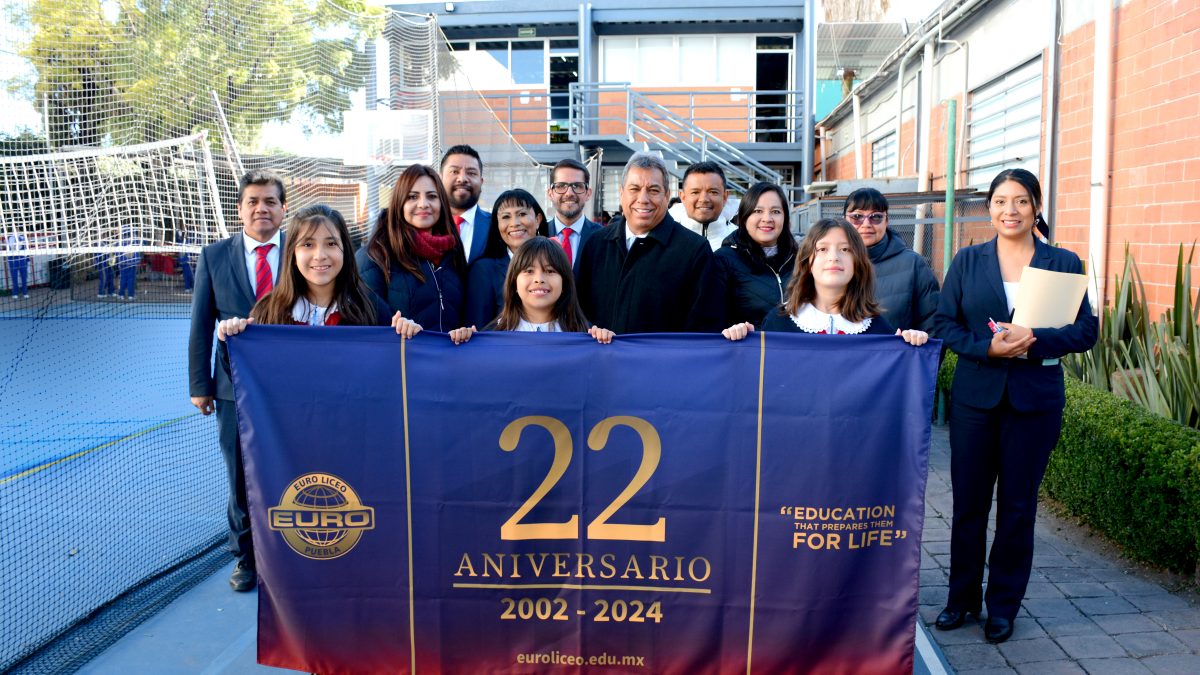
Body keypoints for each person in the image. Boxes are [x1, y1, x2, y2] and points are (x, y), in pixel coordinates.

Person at [931, 168, 1097, 644]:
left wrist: (1035, 339)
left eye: (1021, 201)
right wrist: (988, 348)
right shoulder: (967, 261)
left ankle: (1002, 606)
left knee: (1018, 508)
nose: (1011, 210)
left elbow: (1086, 330)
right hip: (975, 400)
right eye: (1001, 201)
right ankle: (960, 600)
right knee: (968, 505)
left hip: (1034, 402)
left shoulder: (1063, 262)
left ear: (1036, 207)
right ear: (989, 208)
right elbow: (946, 325)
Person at [188, 169, 288, 592]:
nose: (261, 209)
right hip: (232, 388)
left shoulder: (302, 252)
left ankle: (289, 555)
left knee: (288, 470)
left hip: (291, 387)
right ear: (240, 209)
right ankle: (245, 558)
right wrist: (200, 384)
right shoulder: (214, 257)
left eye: (270, 201)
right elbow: (200, 325)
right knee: (241, 476)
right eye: (253, 202)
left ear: (284, 209)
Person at [576, 152, 725, 334]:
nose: (643, 199)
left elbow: (704, 327)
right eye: (634, 189)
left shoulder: (694, 250)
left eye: (653, 190)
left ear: (667, 195)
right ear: (621, 193)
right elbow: (576, 311)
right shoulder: (596, 244)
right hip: (602, 360)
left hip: (664, 362)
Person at [722, 217, 928, 346]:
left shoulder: (878, 330)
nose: (834, 257)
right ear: (807, 262)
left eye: (845, 249)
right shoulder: (778, 322)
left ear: (858, 263)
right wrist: (740, 341)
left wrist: (912, 345)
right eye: (822, 249)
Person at [215, 205, 413, 338]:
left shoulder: (371, 308)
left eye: (331, 243)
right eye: (308, 244)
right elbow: (246, 376)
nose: (320, 255)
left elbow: (392, 368)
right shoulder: (268, 311)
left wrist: (407, 335)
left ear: (345, 249)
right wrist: (232, 338)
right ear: (292, 252)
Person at [358, 164, 466, 332]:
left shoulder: (453, 253)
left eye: (431, 196)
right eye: (412, 197)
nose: (423, 204)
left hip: (448, 357)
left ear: (442, 203)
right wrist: (397, 329)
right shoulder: (375, 255)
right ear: (400, 203)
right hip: (401, 356)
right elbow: (368, 325)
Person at [449, 237, 613, 344]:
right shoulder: (491, 336)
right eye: (528, 271)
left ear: (565, 282)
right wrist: (463, 341)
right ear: (513, 281)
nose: (539, 279)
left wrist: (606, 342)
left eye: (550, 271)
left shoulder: (587, 335)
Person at [843, 188, 940, 333]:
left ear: (886, 220)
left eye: (875, 217)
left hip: (894, 356)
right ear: (844, 220)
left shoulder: (913, 265)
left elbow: (934, 325)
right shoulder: (828, 263)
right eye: (857, 216)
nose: (866, 224)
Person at [714, 182, 798, 329]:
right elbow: (714, 318)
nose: (767, 218)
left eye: (776, 211)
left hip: (795, 348)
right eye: (758, 211)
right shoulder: (724, 260)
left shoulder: (801, 258)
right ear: (744, 216)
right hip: (748, 348)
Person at [465, 189, 550, 329]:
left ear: (538, 219)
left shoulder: (556, 264)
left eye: (522, 214)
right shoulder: (483, 270)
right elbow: (477, 330)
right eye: (505, 217)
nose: (514, 223)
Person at [545, 158, 601, 274]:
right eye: (561, 186)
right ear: (550, 194)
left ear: (588, 193)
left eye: (577, 186)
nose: (569, 193)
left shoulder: (603, 238)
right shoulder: (538, 234)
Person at [440, 144, 490, 263]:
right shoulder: (423, 225)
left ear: (481, 182)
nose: (462, 179)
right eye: (454, 171)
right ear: (439, 179)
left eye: (471, 173)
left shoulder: (497, 227)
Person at [671, 162, 735, 251]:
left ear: (725, 197)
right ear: (683, 197)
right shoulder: (664, 239)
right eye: (695, 192)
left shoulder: (742, 241)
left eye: (713, 192)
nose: (704, 199)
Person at [116, 229, 141, 301]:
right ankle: (131, 295)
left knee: (123, 279)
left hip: (123, 263)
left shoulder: (120, 241)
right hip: (131, 263)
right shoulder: (135, 240)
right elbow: (138, 252)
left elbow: (117, 252)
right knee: (131, 279)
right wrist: (137, 260)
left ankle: (121, 295)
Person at [5, 232, 30, 298]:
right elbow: (7, 249)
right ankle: (15, 293)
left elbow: (26, 248)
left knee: (24, 277)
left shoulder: (23, 237)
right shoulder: (9, 238)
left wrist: (27, 259)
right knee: (14, 277)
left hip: (22, 259)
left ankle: (25, 292)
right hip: (13, 260)